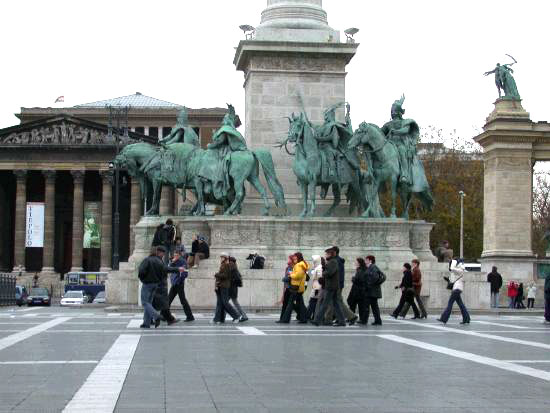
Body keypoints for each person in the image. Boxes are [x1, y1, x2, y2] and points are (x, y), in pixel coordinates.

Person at [138, 246, 184, 329]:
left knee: (145, 303)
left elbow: (141, 271)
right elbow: (166, 269)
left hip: (147, 284)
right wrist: (177, 269)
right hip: (155, 284)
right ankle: (146, 323)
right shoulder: (159, 262)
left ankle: (156, 316)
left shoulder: (147, 260)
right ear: (157, 252)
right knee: (149, 304)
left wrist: (143, 279)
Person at [311, 247, 346, 327]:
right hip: (332, 286)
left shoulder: (333, 261)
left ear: (330, 254)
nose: (325, 255)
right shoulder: (331, 261)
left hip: (331, 286)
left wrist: (323, 273)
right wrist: (324, 268)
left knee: (324, 304)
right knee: (336, 304)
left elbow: (330, 272)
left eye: (326, 254)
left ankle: (317, 320)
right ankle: (342, 321)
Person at [325, 246, 357, 325]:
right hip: (337, 284)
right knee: (336, 302)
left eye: (329, 252)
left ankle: (350, 317)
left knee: (336, 302)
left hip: (336, 285)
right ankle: (347, 317)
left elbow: (333, 274)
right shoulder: (337, 260)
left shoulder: (336, 261)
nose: (327, 254)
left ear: (334, 252)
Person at [438, 259, 471, 325]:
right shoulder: (458, 270)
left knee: (450, 304)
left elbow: (452, 268)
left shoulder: (460, 269)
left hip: (456, 289)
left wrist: (453, 261)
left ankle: (444, 318)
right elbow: (453, 278)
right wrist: (448, 279)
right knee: (461, 305)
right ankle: (466, 319)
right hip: (457, 289)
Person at [212, 253, 242, 324]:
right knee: (219, 303)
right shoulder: (223, 265)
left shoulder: (227, 265)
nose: (221, 258)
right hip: (220, 285)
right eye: (221, 257)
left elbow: (225, 275)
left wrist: (216, 274)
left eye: (222, 257)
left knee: (225, 303)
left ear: (225, 258)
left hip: (224, 286)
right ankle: (217, 319)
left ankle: (236, 316)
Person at [280, 253, 308, 324]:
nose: (294, 259)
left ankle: (285, 319)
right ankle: (304, 318)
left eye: (295, 258)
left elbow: (297, 275)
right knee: (299, 304)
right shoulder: (301, 265)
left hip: (296, 286)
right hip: (298, 286)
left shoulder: (299, 265)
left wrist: (290, 275)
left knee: (290, 304)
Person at [167, 250, 194, 322]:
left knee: (182, 300)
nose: (175, 256)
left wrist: (179, 280)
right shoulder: (174, 261)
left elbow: (185, 273)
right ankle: (164, 315)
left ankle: (190, 316)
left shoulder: (182, 261)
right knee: (168, 300)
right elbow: (169, 268)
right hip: (174, 283)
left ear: (179, 255)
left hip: (179, 284)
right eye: (174, 255)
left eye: (176, 255)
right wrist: (172, 261)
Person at [365, 255, 384, 326]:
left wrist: (369, 284)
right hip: (372, 291)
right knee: (374, 306)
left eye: (366, 260)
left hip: (372, 291)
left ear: (370, 260)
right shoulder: (371, 267)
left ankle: (377, 320)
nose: (365, 261)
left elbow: (375, 278)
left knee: (373, 306)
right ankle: (377, 320)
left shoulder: (373, 267)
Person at [228, 256, 248, 322]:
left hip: (232, 289)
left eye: (229, 261)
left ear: (232, 262)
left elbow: (236, 279)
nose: (228, 262)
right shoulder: (233, 269)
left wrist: (230, 281)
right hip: (232, 289)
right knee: (226, 303)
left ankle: (242, 316)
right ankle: (238, 315)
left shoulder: (233, 269)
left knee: (231, 303)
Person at [349, 258, 368, 324]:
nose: (355, 263)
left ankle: (352, 317)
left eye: (356, 262)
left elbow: (359, 279)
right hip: (358, 290)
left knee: (354, 304)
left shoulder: (361, 270)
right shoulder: (361, 269)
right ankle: (357, 318)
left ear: (359, 263)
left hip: (358, 291)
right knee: (358, 305)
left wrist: (353, 279)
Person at [305, 255, 323, 321]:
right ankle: (311, 316)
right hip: (315, 286)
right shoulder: (317, 267)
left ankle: (308, 316)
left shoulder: (319, 268)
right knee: (313, 302)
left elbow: (319, 278)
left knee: (313, 302)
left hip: (317, 287)